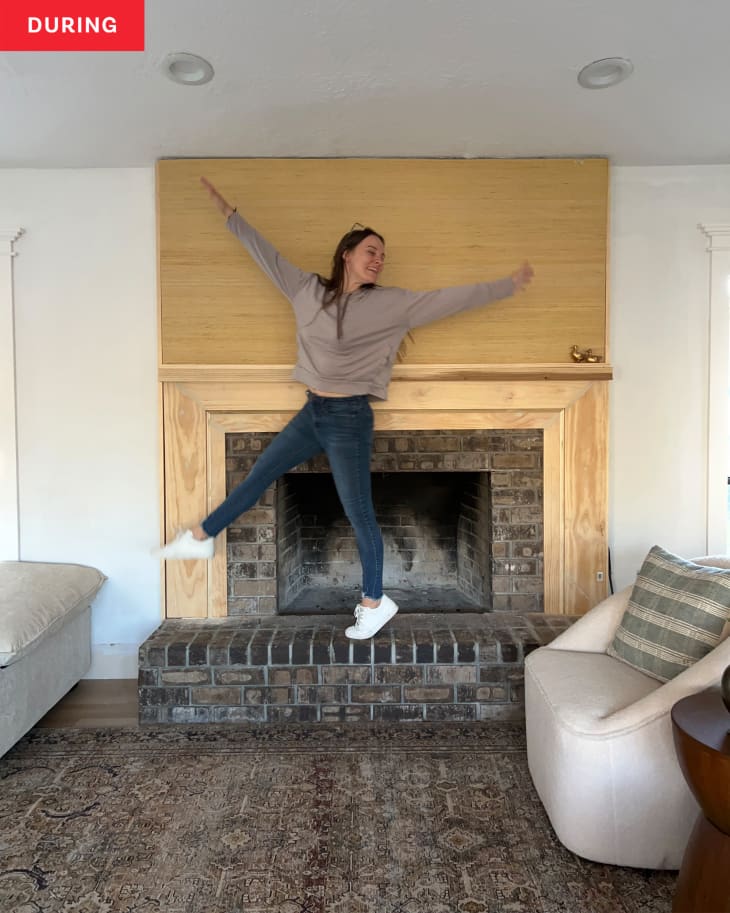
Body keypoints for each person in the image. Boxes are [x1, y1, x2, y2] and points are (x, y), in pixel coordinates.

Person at [156, 176, 534, 640]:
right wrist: (229, 215)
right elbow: (265, 254)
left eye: (382, 255)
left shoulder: (392, 305)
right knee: (258, 475)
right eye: (371, 251)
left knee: (359, 513)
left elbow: (450, 299)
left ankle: (374, 601)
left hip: (350, 419)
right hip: (313, 413)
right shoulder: (306, 290)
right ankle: (201, 538)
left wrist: (506, 286)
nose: (378, 260)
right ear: (347, 254)